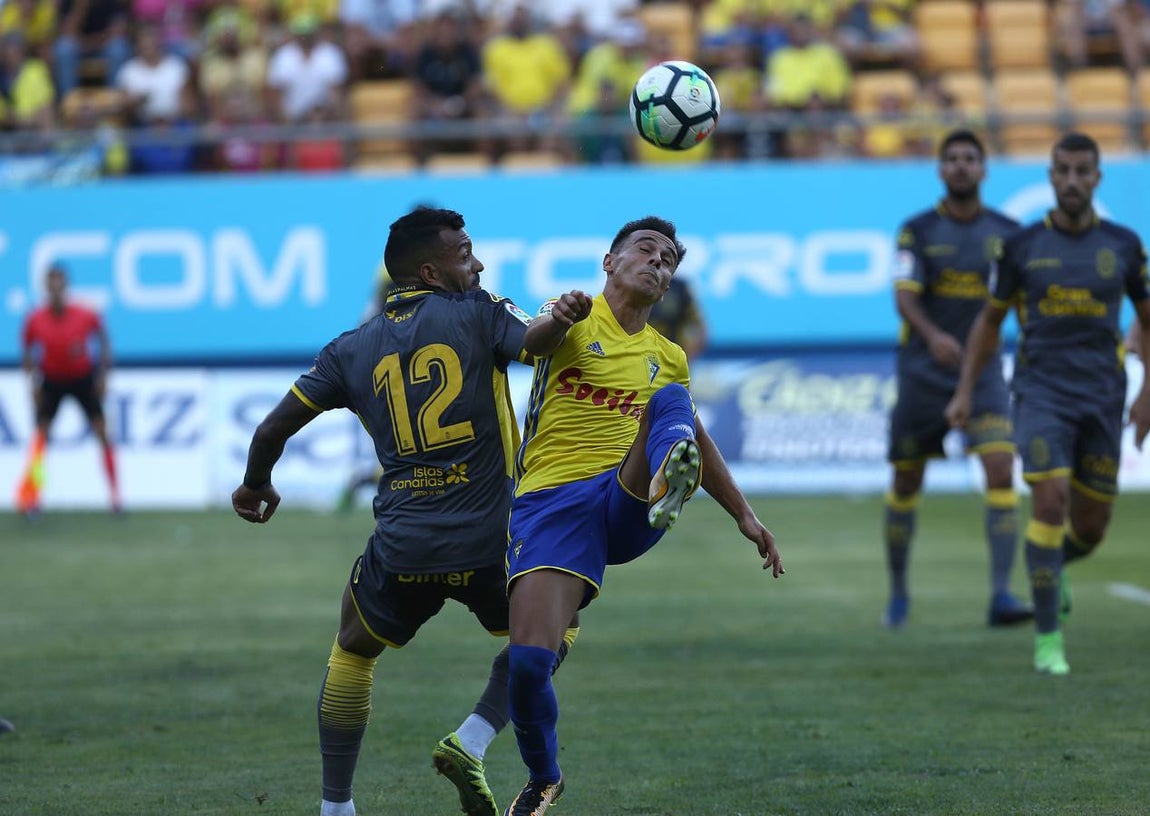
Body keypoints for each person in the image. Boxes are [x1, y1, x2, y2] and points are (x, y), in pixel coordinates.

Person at [231, 207, 588, 816]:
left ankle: (335, 807)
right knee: (560, 623)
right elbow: (535, 343)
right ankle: (471, 740)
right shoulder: (481, 312)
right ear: (431, 269)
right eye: (465, 253)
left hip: (403, 546)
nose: (477, 264)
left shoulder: (349, 348)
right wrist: (561, 316)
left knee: (352, 651)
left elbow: (271, 428)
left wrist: (254, 484)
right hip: (492, 542)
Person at [501, 216, 784, 815]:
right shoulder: (572, 319)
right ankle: (543, 779)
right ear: (609, 262)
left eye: (669, 262)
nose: (659, 265)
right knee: (527, 666)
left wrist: (745, 514)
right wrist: (560, 316)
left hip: (625, 501)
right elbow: (531, 343)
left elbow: (699, 440)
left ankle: (663, 483)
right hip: (552, 504)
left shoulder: (668, 354)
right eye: (647, 252)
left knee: (670, 400)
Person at [946, 132, 1150, 675]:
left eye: (1083, 172)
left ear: (1097, 178)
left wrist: (1148, 390)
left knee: (1091, 528)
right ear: (1051, 177)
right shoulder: (1021, 247)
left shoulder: (1125, 246)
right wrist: (966, 392)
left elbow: (1147, 322)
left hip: (1105, 396)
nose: (1073, 181)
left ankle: (1052, 566)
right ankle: (1048, 642)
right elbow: (988, 323)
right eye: (1063, 171)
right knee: (1050, 502)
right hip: (1040, 393)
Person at [883, 129, 1033, 629]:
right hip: (924, 371)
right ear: (941, 170)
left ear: (984, 170)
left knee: (1000, 468)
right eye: (953, 159)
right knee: (907, 478)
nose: (962, 166)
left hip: (985, 370)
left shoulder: (1009, 234)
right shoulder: (917, 231)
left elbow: (1022, 303)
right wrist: (934, 336)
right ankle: (900, 595)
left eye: (971, 159)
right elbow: (904, 296)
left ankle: (1001, 596)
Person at [17, 264, 120, 516]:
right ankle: (32, 499)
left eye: (59, 283)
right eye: (51, 284)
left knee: (102, 432)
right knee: (41, 437)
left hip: (82, 378)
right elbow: (28, 351)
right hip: (51, 380)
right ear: (46, 288)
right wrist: (31, 384)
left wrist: (103, 375)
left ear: (65, 286)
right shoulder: (35, 319)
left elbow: (103, 339)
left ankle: (116, 498)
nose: (55, 289)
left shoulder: (84, 314)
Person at [646, 274, 708, 360]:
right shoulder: (641, 284)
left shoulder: (679, 288)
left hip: (673, 357)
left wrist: (689, 354)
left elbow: (700, 326)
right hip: (645, 355)